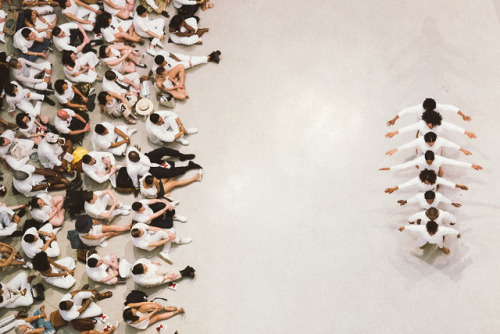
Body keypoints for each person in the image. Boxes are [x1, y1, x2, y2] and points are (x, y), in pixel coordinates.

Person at [126, 145, 200, 189]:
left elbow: (135, 148)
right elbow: (134, 181)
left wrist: (138, 149)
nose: (139, 159)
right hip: (149, 170)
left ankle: (181, 156)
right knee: (169, 173)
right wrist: (136, 188)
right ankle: (189, 167)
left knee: (163, 150)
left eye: (139, 157)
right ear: (132, 160)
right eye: (137, 159)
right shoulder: (131, 170)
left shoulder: (131, 149)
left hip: (148, 158)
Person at [385, 109, 477, 140]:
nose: (429, 126)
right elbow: (408, 128)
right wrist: (394, 133)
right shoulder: (421, 124)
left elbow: (453, 127)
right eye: (428, 123)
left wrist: (467, 133)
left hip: (435, 139)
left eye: (432, 124)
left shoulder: (442, 124)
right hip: (422, 137)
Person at [379, 150, 482, 176]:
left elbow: (454, 162)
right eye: (427, 161)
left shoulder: (439, 159)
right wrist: (390, 168)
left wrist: (472, 165)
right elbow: (406, 165)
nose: (429, 163)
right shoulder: (420, 160)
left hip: (434, 173)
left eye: (431, 161)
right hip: (422, 173)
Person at [386, 98, 471, 126]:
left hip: (434, 122)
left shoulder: (438, 106)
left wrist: (463, 115)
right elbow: (405, 111)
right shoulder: (419, 108)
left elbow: (451, 107)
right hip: (422, 123)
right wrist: (394, 119)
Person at [385, 131, 473, 156]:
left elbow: (452, 144)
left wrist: (463, 150)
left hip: (436, 153)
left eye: (432, 142)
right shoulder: (419, 140)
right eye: (429, 143)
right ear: (425, 141)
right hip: (422, 152)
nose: (431, 144)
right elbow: (408, 145)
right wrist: (394, 150)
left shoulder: (440, 140)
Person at [384, 169, 468, 194]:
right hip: (422, 193)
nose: (427, 183)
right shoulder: (417, 180)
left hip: (432, 191)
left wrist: (460, 186)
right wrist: (393, 189)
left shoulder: (436, 179)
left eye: (429, 181)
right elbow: (406, 184)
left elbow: (448, 183)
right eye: (426, 181)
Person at [152, 50, 221, 75]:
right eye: (163, 63)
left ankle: (210, 57)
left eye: (165, 61)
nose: (165, 62)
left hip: (174, 58)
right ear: (159, 65)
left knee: (189, 58)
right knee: (190, 63)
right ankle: (209, 57)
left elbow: (171, 55)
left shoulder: (161, 53)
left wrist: (178, 59)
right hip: (173, 67)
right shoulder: (155, 69)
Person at [397, 190, 461, 210]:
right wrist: (405, 201)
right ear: (425, 198)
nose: (430, 202)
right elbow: (413, 199)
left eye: (432, 200)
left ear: (434, 198)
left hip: (434, 210)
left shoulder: (438, 196)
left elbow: (445, 199)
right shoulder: (419, 196)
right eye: (428, 200)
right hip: (423, 209)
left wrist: (453, 203)